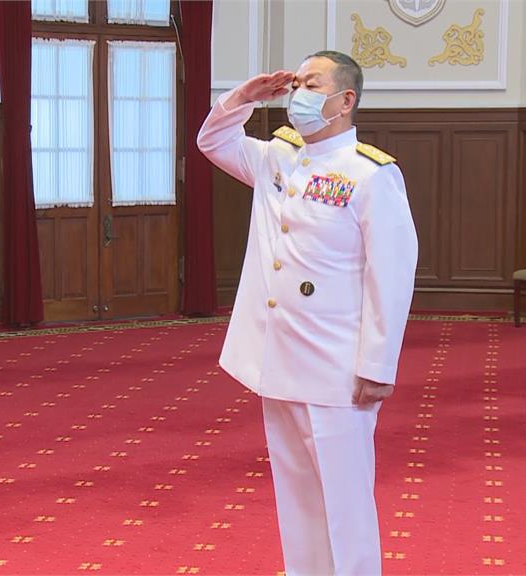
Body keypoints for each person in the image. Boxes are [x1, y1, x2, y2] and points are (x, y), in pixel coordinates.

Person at [196, 51, 418, 575]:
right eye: (296, 84)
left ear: (345, 100)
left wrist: (377, 365)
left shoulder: (371, 174)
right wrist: (244, 98)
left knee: (345, 501)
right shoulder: (278, 157)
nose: (298, 94)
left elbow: (391, 274)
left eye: (312, 85)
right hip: (279, 360)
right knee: (296, 496)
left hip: (336, 366)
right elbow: (213, 142)